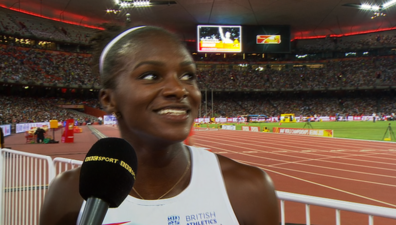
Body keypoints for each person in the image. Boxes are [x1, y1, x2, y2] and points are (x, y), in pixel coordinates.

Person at [39, 26, 279, 225]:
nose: (178, 89)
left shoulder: (249, 189)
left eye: (187, 75)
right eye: (151, 76)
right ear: (109, 99)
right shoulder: (69, 195)